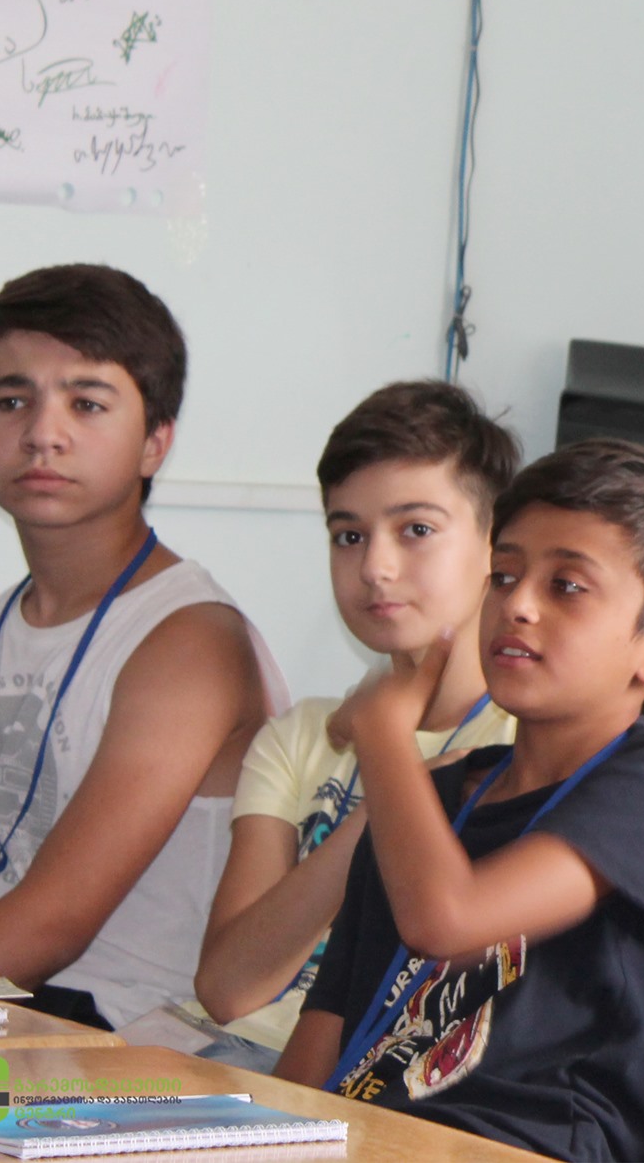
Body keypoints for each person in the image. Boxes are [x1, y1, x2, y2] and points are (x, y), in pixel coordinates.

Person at [274, 438, 644, 1162]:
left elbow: (448, 920)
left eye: (567, 586)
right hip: (361, 1138)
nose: (518, 604)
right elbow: (323, 1035)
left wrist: (384, 732)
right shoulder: (432, 799)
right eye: (504, 575)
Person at [0, 264, 281, 1030]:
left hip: (137, 1039)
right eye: (11, 401)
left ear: (154, 442)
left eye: (87, 403)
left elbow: (57, 918)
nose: (43, 432)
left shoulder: (189, 637)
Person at [183, 381, 520, 1069]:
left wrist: (389, 760)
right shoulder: (303, 736)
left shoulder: (525, 749)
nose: (375, 567)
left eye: (416, 529)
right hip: (228, 1050)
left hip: (374, 1079)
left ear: (495, 544)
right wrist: (388, 786)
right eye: (349, 535)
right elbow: (226, 986)